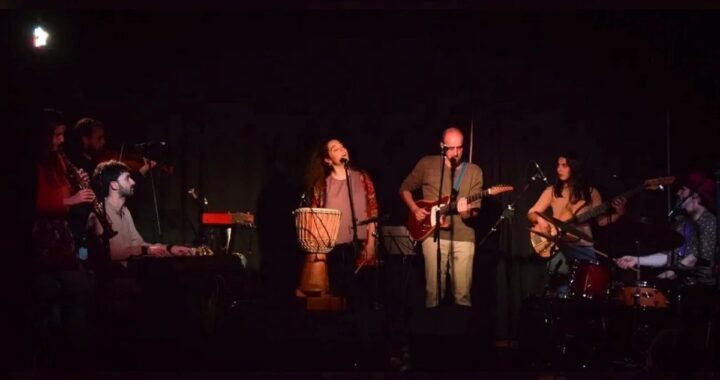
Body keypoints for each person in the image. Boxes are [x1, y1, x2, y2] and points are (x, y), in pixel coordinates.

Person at [30, 108, 97, 368]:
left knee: (65, 292)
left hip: (61, 235)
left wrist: (77, 183)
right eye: (56, 135)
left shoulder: (59, 160)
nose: (60, 140)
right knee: (65, 291)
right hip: (43, 238)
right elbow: (38, 201)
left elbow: (60, 191)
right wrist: (73, 198)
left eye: (62, 135)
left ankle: (64, 354)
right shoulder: (34, 162)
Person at [400, 126, 483, 308]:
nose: (456, 153)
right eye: (450, 148)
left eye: (460, 148)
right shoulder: (427, 164)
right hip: (432, 234)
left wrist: (465, 212)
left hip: (463, 236)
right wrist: (414, 209)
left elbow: (474, 211)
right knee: (434, 294)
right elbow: (404, 188)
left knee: (462, 295)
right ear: (441, 146)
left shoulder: (474, 171)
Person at [527, 153, 626, 294]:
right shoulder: (552, 191)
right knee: (559, 291)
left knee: (586, 292)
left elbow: (601, 221)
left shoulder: (591, 193)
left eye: (564, 165)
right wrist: (542, 222)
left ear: (574, 167)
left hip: (584, 248)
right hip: (559, 247)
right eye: (558, 165)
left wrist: (619, 213)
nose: (558, 169)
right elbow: (532, 212)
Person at [305, 138, 379, 305]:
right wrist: (319, 250)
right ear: (327, 160)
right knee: (339, 296)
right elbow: (315, 217)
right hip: (335, 250)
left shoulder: (362, 178)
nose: (342, 149)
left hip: (361, 246)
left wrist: (371, 243)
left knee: (360, 297)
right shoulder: (322, 185)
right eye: (335, 148)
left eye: (342, 146)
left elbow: (373, 210)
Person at [616, 170, 716, 286]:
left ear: (696, 196)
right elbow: (669, 257)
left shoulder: (710, 223)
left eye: (682, 189)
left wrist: (663, 276)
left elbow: (693, 260)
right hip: (682, 286)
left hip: (703, 289)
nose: (678, 193)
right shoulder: (682, 223)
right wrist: (636, 260)